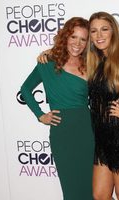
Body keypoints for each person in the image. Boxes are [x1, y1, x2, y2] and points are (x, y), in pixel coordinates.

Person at [38, 11, 119, 200]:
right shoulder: (93, 61)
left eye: (104, 29)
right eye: (93, 31)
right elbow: (71, 57)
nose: (99, 35)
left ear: (113, 32)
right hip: (101, 137)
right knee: (100, 195)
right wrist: (50, 53)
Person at [20, 17, 94, 200]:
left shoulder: (91, 63)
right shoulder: (47, 62)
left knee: (92, 189)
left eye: (83, 39)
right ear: (65, 37)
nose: (77, 43)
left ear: (87, 43)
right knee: (71, 191)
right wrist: (40, 115)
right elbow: (25, 89)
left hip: (88, 130)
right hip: (62, 132)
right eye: (73, 37)